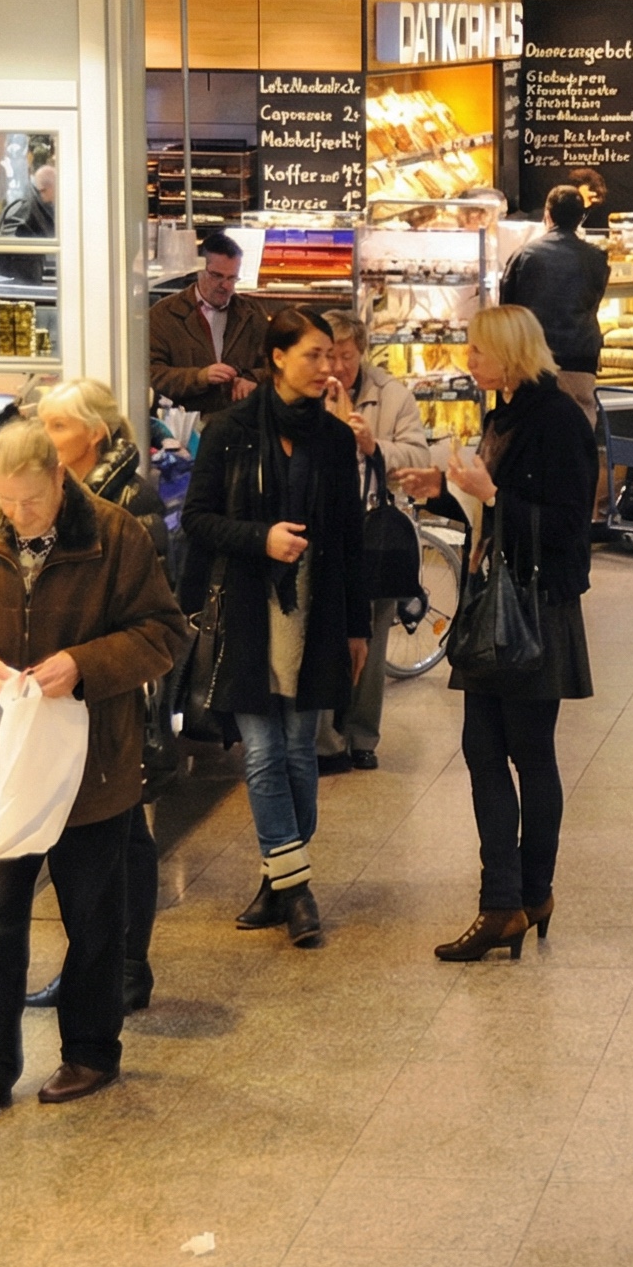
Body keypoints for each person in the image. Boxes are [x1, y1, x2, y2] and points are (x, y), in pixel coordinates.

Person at [0, 420, 186, 1122]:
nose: (19, 515)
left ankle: (92, 1052)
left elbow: (163, 633)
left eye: (31, 500)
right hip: (6, 758)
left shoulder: (116, 535)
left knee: (94, 914)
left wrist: (85, 666)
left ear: (61, 480)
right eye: (7, 500)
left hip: (94, 763)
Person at [393, 306, 597, 962]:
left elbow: (568, 525)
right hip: (492, 601)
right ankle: (504, 901)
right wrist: (447, 492)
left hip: (534, 606)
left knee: (529, 752)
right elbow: (490, 507)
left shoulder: (559, 419)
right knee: (482, 750)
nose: (467, 361)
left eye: (477, 351)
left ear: (509, 353)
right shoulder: (503, 414)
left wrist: (494, 492)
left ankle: (529, 893)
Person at [179, 307, 371, 951]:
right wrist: (260, 537)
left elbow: (348, 538)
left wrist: (356, 626)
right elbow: (198, 520)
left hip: (314, 611)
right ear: (278, 357)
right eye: (314, 355)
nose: (328, 367)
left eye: (332, 356)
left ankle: (277, 880)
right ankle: (299, 892)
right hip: (247, 611)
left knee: (299, 752)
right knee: (263, 753)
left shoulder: (335, 439)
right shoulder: (229, 430)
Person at [16, 379, 172, 1019]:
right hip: (64, 690)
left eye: (58, 427)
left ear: (94, 436)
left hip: (111, 692)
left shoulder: (127, 500)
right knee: (103, 835)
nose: (46, 439)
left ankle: (122, 969)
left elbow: (147, 611)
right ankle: (100, 969)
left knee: (124, 833)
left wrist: (84, 659)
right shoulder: (66, 495)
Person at [314, 310, 434, 773]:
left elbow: (418, 454)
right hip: (323, 534)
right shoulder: (308, 393)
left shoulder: (392, 395)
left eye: (346, 356)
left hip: (374, 534)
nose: (337, 367)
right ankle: (324, 739)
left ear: (360, 352)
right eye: (329, 356)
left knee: (373, 637)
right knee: (326, 635)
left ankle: (362, 736)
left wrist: (373, 446)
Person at [501, 185, 613, 429]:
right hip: (581, 354)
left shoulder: (525, 254)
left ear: (547, 214)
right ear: (580, 218)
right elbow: (595, 299)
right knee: (580, 421)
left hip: (535, 356)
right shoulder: (597, 257)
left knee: (536, 425)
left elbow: (507, 308)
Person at [148, 228, 270, 414]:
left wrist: (252, 379)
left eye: (232, 278)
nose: (226, 286)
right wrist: (199, 377)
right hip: (186, 424)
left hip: (241, 422)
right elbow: (150, 375)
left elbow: (277, 365)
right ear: (198, 270)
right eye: (217, 276)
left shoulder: (252, 314)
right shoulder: (164, 315)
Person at [0, 163, 57, 284]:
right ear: (45, 189)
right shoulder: (27, 205)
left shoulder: (31, 201)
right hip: (20, 277)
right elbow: (7, 241)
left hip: (23, 272)